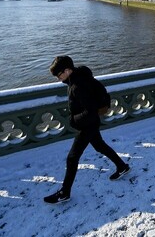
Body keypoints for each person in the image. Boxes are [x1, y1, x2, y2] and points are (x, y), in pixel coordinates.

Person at [44, 55, 130, 204]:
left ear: (67, 70)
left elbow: (89, 111)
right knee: (100, 146)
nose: (58, 79)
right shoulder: (79, 77)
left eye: (59, 75)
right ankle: (122, 167)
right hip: (91, 122)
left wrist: (73, 120)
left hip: (88, 124)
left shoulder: (77, 86)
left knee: (72, 158)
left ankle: (65, 192)